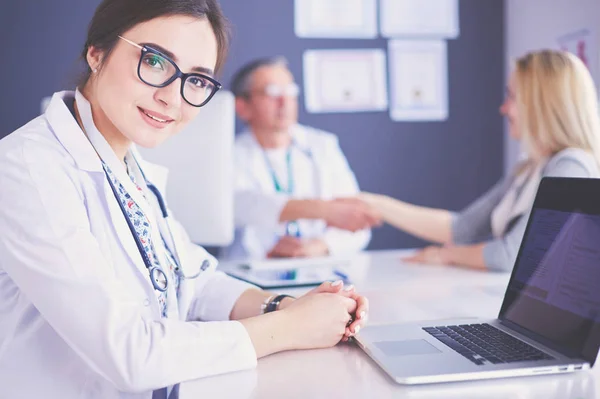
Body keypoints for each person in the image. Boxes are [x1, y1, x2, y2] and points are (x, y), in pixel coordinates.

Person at [0, 1, 369, 398]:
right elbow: (132, 354)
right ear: (97, 52)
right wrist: (291, 328)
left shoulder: (126, 162)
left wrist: (285, 305)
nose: (172, 98)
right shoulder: (25, 168)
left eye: (196, 80)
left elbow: (195, 280)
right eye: (155, 62)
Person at [361, 50, 600, 272]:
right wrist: (377, 204)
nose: (503, 108)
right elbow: (463, 229)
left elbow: (512, 255)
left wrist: (448, 255)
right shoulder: (529, 168)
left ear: (542, 106)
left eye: (512, 97)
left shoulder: (572, 166)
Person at [221, 57, 380, 260]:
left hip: (318, 266)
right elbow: (240, 206)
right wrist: (325, 210)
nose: (284, 102)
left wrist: (315, 247)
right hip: (250, 271)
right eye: (272, 93)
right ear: (243, 106)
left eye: (290, 92)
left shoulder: (323, 145)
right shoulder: (229, 153)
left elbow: (357, 222)